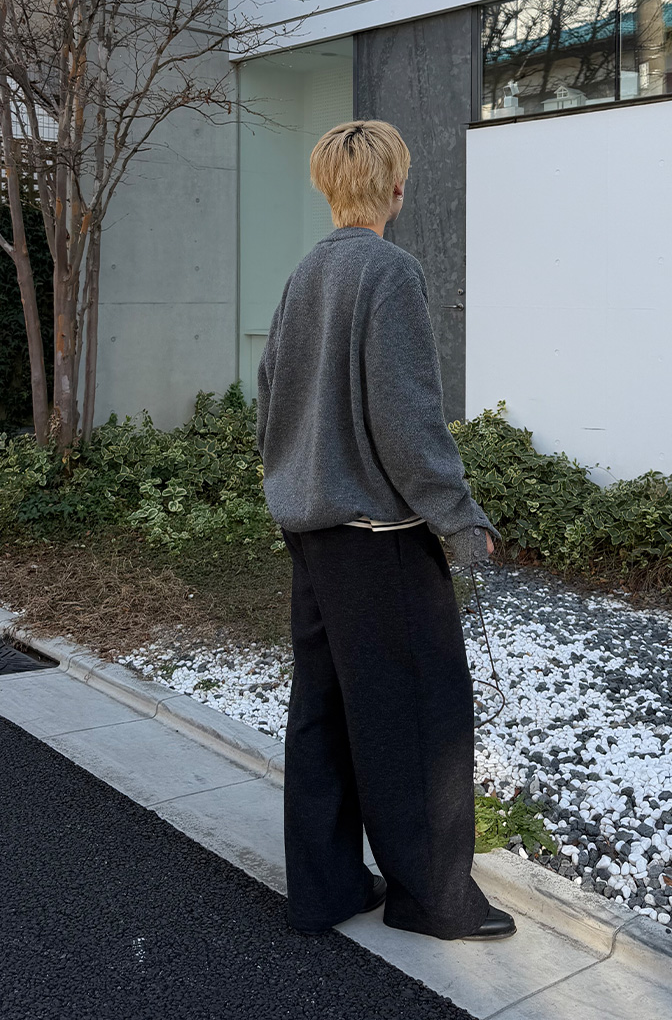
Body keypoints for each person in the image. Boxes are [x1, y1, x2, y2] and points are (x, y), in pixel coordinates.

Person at [256, 119, 516, 941]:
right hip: (379, 535)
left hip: (312, 533)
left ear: (327, 188)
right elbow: (408, 419)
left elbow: (268, 397)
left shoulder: (305, 274)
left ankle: (327, 888)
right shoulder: (390, 272)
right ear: (396, 188)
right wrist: (459, 517)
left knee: (324, 708)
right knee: (421, 714)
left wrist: (293, 484)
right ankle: (433, 900)